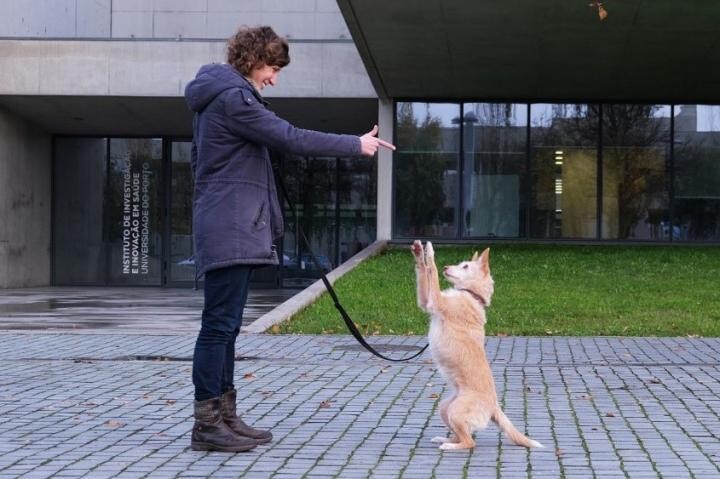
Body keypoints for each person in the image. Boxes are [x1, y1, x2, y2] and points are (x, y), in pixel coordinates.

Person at [183, 25, 395, 452]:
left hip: (234, 225)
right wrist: (355, 145)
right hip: (230, 226)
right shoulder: (232, 99)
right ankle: (207, 425)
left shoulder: (228, 97)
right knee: (218, 327)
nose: (274, 78)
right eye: (271, 68)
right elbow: (290, 138)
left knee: (227, 327)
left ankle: (225, 416)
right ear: (252, 59)